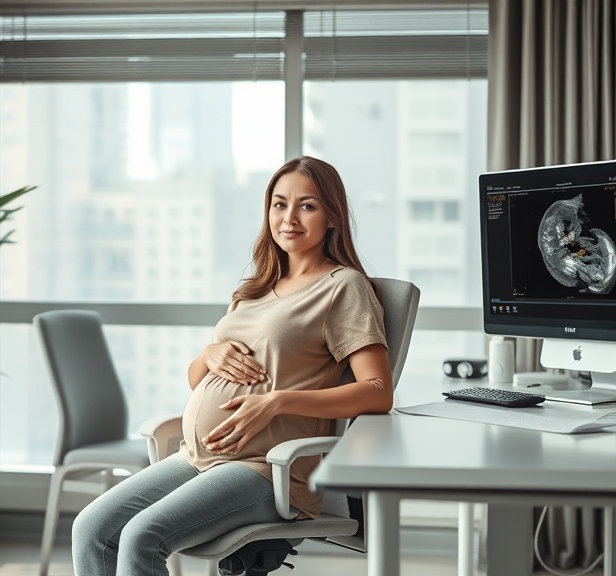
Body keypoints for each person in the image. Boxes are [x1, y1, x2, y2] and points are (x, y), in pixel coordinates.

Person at [72, 156, 393, 576]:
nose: (289, 218)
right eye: (279, 205)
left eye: (307, 206)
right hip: (197, 457)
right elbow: (197, 381)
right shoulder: (254, 288)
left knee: (140, 538)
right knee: (91, 528)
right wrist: (208, 355)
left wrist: (276, 402)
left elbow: (377, 391)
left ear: (332, 216)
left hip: (265, 468)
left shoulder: (342, 288)